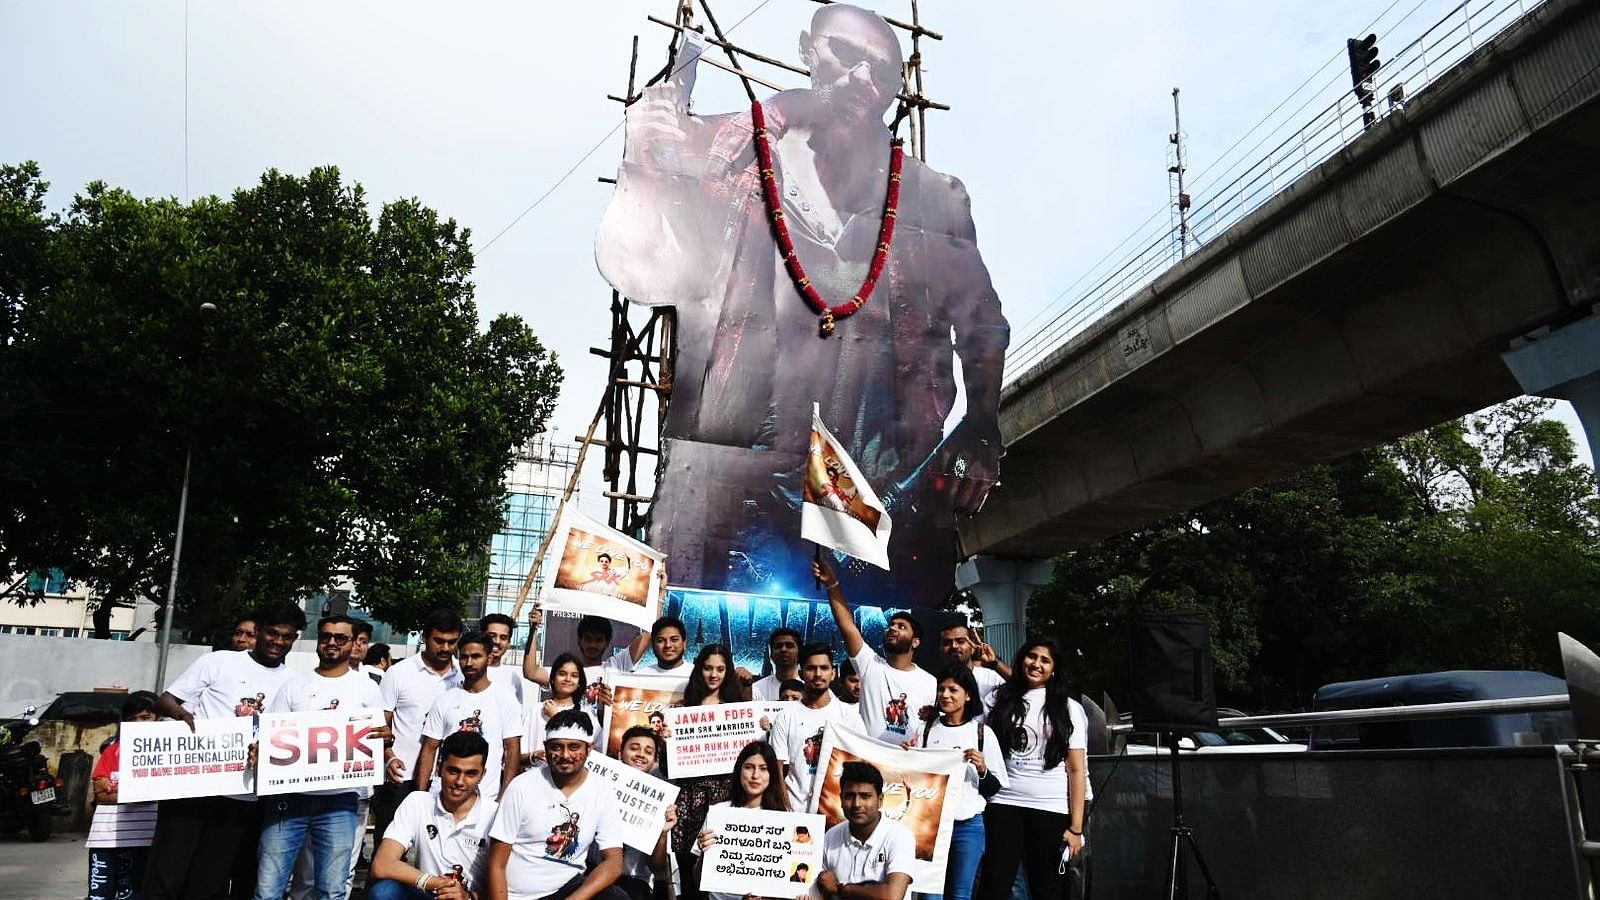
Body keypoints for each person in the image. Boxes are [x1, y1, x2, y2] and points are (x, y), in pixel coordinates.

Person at [595, 5, 1010, 605]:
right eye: (846, 56)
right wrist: (643, 167)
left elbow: (982, 322)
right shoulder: (721, 149)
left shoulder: (934, 198)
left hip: (880, 475)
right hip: (732, 468)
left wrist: (982, 428)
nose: (861, 82)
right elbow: (640, 270)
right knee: (718, 638)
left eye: (882, 73)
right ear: (807, 51)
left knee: (877, 639)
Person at [142, 600, 305, 900]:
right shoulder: (218, 662)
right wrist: (182, 716)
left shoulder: (294, 683)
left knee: (210, 882)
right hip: (191, 787)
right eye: (273, 633)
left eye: (287, 636)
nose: (278, 642)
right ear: (259, 632)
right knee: (166, 875)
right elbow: (165, 700)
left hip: (243, 797)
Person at [254, 614, 389, 900]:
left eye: (340, 638)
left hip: (340, 799)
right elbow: (269, 736)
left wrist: (384, 738)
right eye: (325, 636)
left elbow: (380, 738)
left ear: (353, 643)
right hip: (288, 798)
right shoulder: (294, 685)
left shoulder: (367, 688)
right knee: (268, 890)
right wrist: (260, 750)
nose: (331, 642)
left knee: (331, 889)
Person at [974, 640, 1088, 900]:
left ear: (1054, 669)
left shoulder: (1069, 708)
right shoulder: (997, 698)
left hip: (1050, 806)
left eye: (1045, 660)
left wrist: (1076, 828)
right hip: (1003, 802)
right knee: (994, 883)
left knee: (1048, 887)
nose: (1036, 664)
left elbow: (1076, 770)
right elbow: (967, 726)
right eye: (1031, 657)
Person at [487, 709, 626, 900]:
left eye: (574, 747)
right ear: (545, 748)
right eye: (557, 747)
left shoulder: (602, 790)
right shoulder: (521, 786)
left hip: (568, 888)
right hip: (521, 895)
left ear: (589, 748)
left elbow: (614, 862)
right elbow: (497, 863)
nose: (565, 755)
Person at [904, 667, 1005, 900]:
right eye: (941, 689)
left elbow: (994, 787)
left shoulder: (982, 733)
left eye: (953, 690)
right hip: (931, 827)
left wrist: (982, 769)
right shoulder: (925, 730)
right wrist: (906, 755)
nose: (945, 695)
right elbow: (913, 774)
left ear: (968, 695)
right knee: (930, 894)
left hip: (968, 827)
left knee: (960, 894)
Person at [814, 558, 934, 743]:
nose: (892, 628)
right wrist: (832, 584)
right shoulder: (870, 665)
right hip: (869, 766)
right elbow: (847, 626)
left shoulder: (930, 682)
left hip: (909, 766)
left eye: (902, 627)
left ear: (915, 642)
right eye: (891, 625)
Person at [368, 731, 497, 900]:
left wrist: (467, 896)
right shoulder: (418, 802)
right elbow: (382, 864)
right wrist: (437, 883)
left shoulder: (496, 814)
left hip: (470, 898)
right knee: (384, 892)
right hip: (429, 893)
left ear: (482, 775)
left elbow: (508, 885)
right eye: (453, 771)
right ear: (439, 768)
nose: (459, 781)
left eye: (470, 773)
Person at [374, 608, 463, 846]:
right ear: (424, 636)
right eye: (439, 641)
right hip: (400, 778)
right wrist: (389, 758)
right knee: (390, 846)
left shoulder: (464, 676)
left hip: (447, 780)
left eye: (451, 642)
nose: (445, 648)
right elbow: (381, 723)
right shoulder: (399, 673)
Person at [671, 644, 747, 897]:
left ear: (728, 672)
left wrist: (762, 728)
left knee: (718, 870)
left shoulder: (739, 711)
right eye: (708, 668)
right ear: (699, 670)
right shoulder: (680, 710)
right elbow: (667, 767)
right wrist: (666, 742)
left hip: (723, 800)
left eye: (720, 669)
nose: (714, 674)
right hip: (687, 802)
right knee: (686, 871)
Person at [417, 632, 523, 801]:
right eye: (464, 657)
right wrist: (421, 796)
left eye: (476, 656)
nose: (469, 662)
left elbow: (512, 751)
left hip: (486, 797)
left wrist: (502, 800)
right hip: (441, 795)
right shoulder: (445, 699)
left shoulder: (505, 699)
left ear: (489, 658)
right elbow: (429, 748)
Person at [87, 690, 160, 900]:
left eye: (146, 717)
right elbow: (101, 794)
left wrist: (120, 790)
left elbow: (166, 792)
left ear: (158, 718)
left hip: (147, 840)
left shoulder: (168, 754)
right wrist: (144, 791)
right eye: (132, 719)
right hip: (106, 839)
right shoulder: (113, 751)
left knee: (135, 895)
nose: (138, 723)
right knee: (99, 895)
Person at [692, 741, 789, 900]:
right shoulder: (719, 813)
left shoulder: (785, 819)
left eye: (763, 769)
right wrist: (705, 854)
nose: (755, 775)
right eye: (749, 767)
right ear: (739, 770)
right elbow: (698, 880)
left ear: (772, 775)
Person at [766, 643, 857, 811]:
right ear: (801, 674)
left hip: (835, 811)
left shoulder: (849, 715)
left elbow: (862, 762)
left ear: (833, 673)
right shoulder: (786, 716)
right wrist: (786, 809)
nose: (818, 674)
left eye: (824, 668)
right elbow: (776, 769)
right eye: (811, 668)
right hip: (794, 808)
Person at [816, 762, 914, 900]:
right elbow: (821, 890)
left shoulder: (900, 836)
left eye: (865, 796)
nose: (857, 804)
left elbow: (892, 896)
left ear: (880, 800)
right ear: (841, 799)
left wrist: (841, 889)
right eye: (850, 796)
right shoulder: (831, 837)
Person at [610, 725, 678, 900]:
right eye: (634, 748)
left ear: (654, 760)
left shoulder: (661, 799)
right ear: (620, 753)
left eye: (648, 752)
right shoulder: (600, 786)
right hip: (592, 873)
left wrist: (662, 833)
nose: (641, 754)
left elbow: (657, 866)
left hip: (635, 884)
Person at [523, 653, 597, 767]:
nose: (568, 679)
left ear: (579, 683)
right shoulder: (536, 710)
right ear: (552, 679)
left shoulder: (586, 714)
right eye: (562, 674)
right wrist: (534, 756)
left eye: (574, 675)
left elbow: (591, 754)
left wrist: (556, 717)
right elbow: (517, 755)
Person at [938, 623, 1008, 713]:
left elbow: (1022, 687)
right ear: (940, 648)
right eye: (947, 643)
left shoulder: (992, 678)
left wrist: (995, 663)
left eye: (960, 641)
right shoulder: (933, 683)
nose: (954, 646)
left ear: (972, 645)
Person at [479, 613, 528, 704]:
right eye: (492, 636)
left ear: (509, 643)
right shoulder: (465, 670)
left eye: (503, 637)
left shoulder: (513, 679)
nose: (497, 641)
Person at [750, 629, 802, 701]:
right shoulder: (757, 689)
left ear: (800, 652)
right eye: (778, 646)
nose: (783, 649)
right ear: (771, 654)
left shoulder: (810, 688)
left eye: (789, 646)